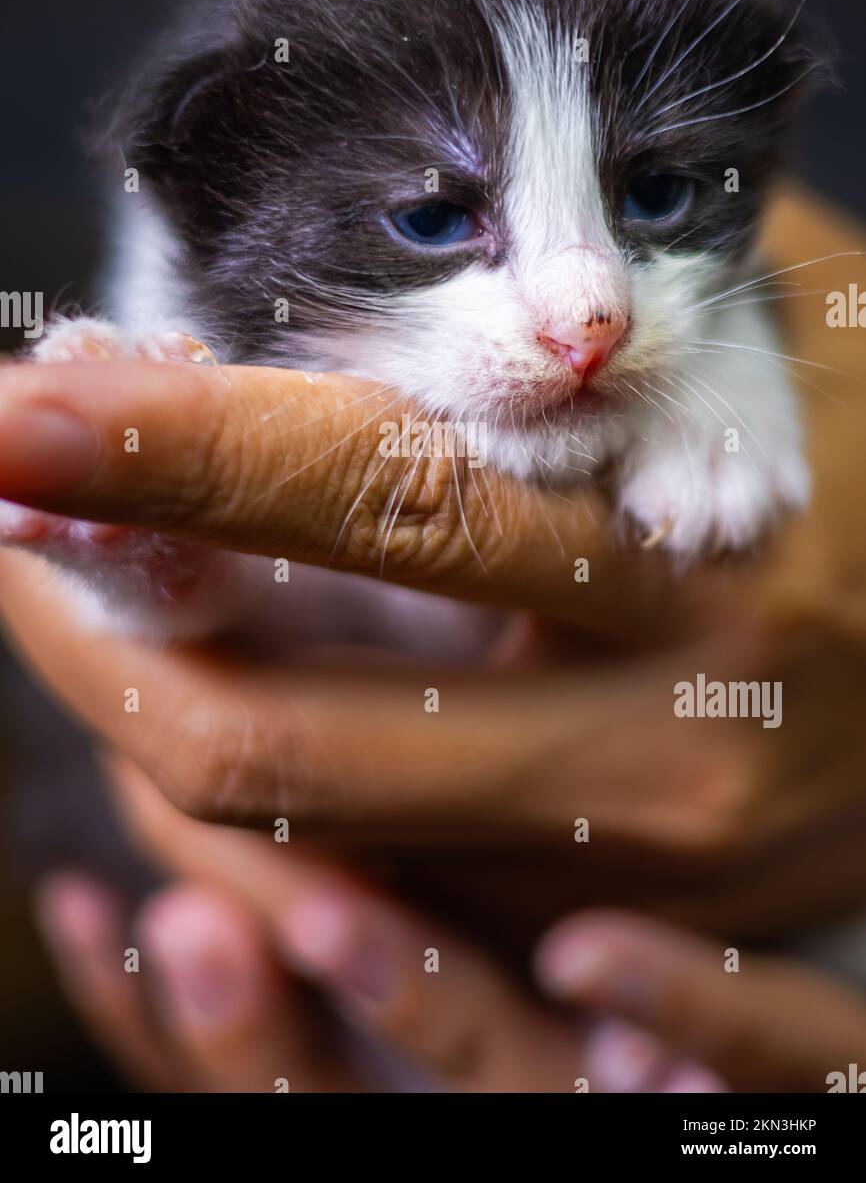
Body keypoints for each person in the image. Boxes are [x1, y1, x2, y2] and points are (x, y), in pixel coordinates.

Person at [3, 187, 866, 1089]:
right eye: (432, 215)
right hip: (299, 973)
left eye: (649, 197)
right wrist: (143, 546)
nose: (586, 319)